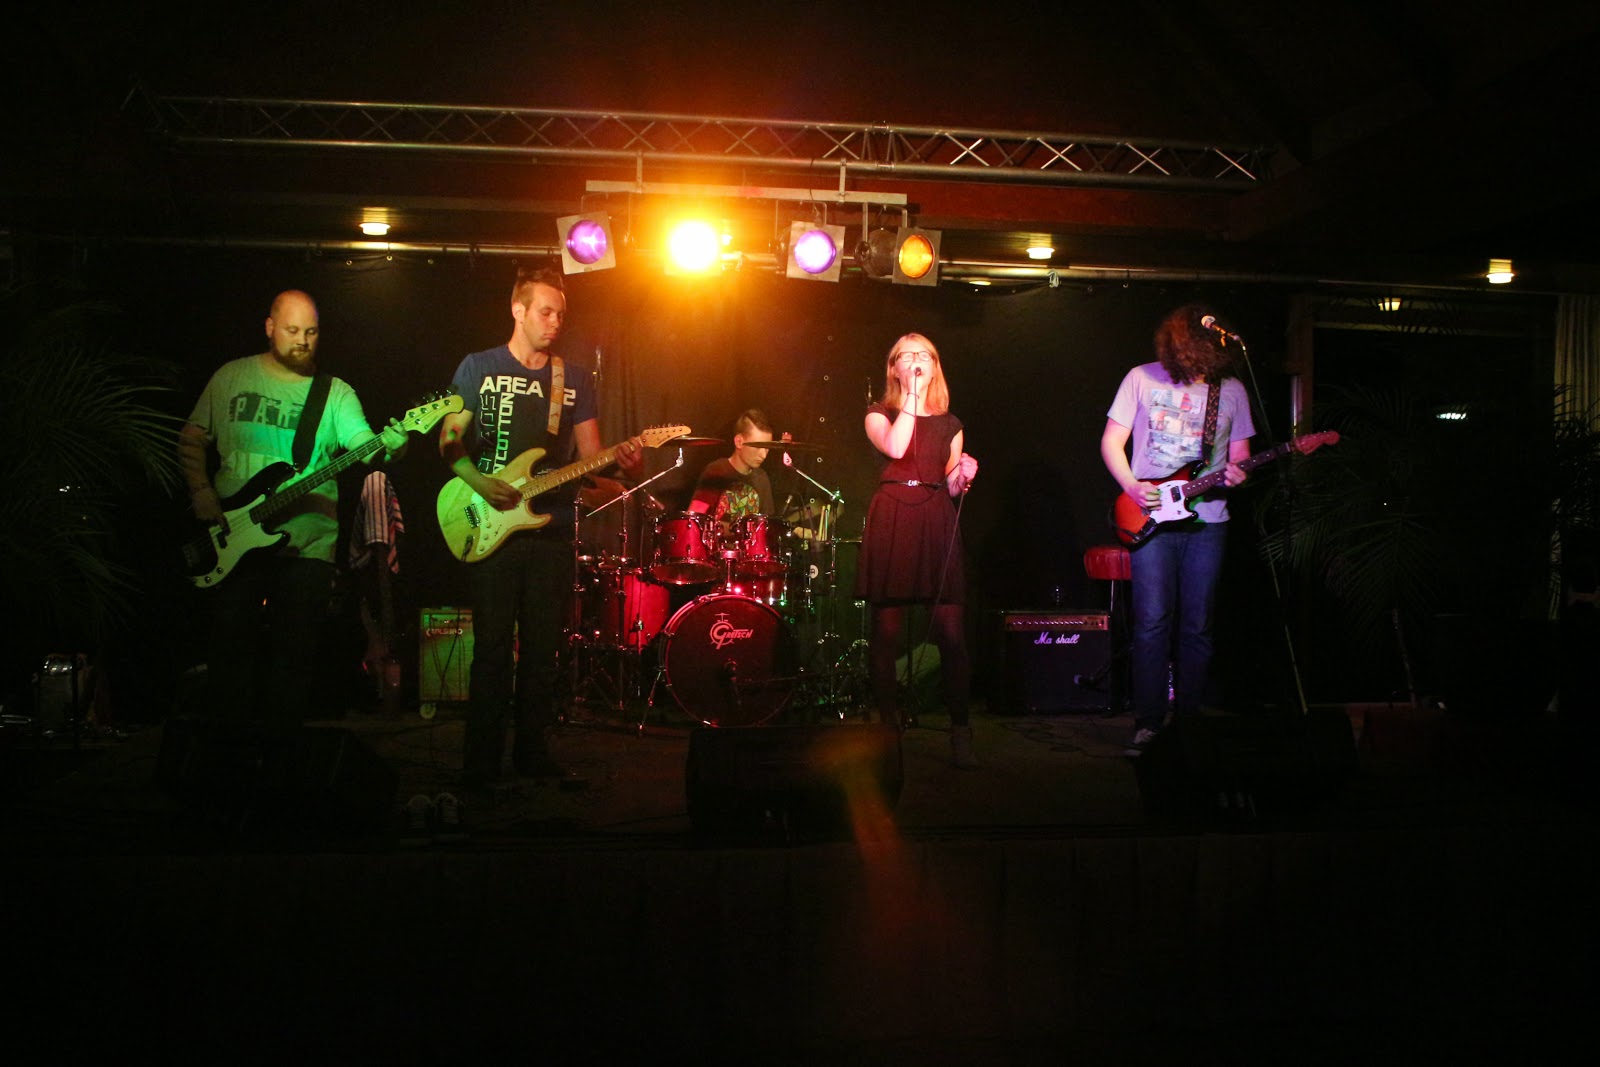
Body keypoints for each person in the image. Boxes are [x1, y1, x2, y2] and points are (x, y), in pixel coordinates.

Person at [438, 266, 642, 786]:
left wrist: (624, 464)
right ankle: (480, 765)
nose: (555, 322)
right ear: (518, 310)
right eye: (545, 312)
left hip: (551, 529)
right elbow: (449, 440)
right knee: (491, 651)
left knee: (541, 653)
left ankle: (532, 755)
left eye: (560, 315)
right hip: (489, 524)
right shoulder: (478, 367)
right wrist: (481, 483)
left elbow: (592, 461)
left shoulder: (573, 379)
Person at [178, 289, 408, 725]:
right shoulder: (232, 376)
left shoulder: (334, 394)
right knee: (230, 652)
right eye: (292, 330)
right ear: (269, 328)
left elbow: (364, 445)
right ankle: (229, 748)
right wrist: (201, 493)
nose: (302, 340)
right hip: (233, 539)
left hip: (308, 547)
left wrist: (391, 446)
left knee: (295, 658)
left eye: (311, 332)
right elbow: (191, 439)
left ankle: (282, 750)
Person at [1100, 302, 1254, 757]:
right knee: (1151, 622)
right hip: (1151, 517)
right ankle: (1148, 724)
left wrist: (1239, 474)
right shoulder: (1140, 378)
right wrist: (1132, 486)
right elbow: (1111, 441)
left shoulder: (1232, 390)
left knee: (1198, 627)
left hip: (1209, 521)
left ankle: (1189, 725)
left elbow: (1240, 455)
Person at [855, 333, 979, 767]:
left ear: (935, 366)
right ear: (893, 368)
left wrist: (963, 475)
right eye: (906, 356)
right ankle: (887, 730)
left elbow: (950, 485)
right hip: (893, 513)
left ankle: (961, 731)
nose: (916, 361)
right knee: (886, 634)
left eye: (924, 355)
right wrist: (910, 394)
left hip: (934, 517)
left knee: (951, 635)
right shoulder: (879, 413)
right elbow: (896, 446)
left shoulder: (951, 423)